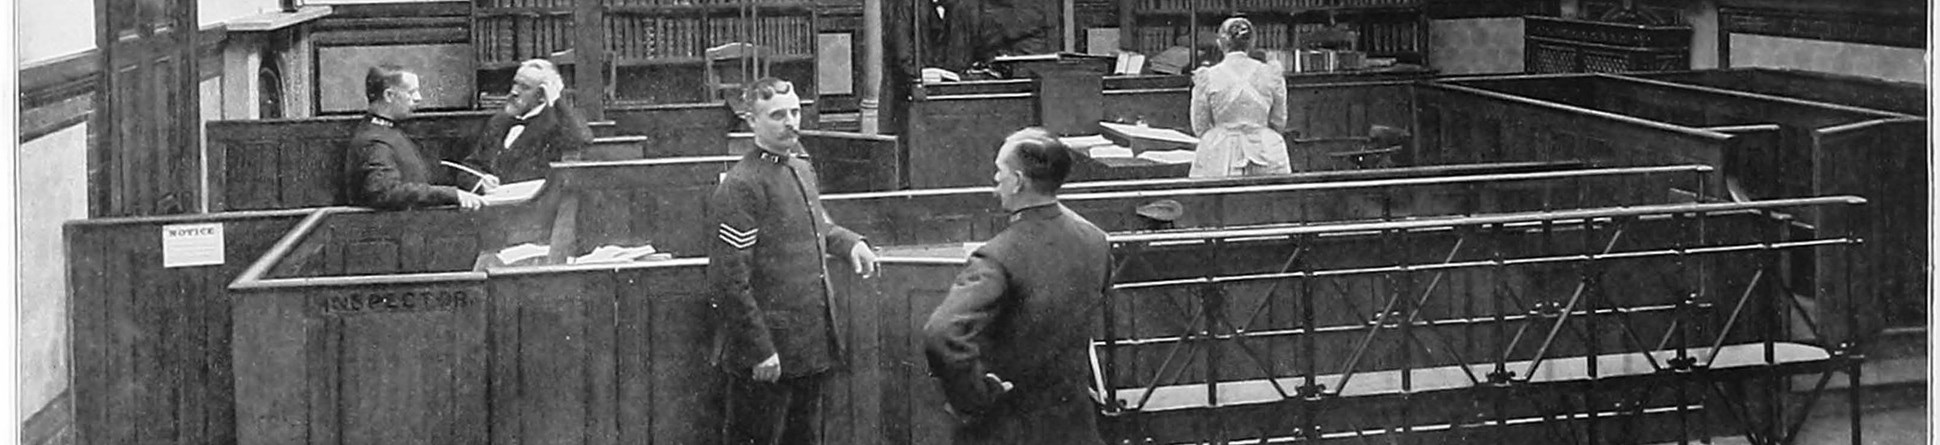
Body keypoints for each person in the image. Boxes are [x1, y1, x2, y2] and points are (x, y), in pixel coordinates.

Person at [706, 77, 880, 445]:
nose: (791, 122)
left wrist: (850, 243)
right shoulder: (742, 185)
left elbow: (818, 226)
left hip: (809, 344)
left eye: (796, 112)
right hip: (767, 355)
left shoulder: (800, 168)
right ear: (752, 121)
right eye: (777, 115)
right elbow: (729, 280)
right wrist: (760, 349)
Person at [922, 128, 1110, 445]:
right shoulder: (1096, 239)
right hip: (1075, 424)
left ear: (1019, 181)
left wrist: (975, 397)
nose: (995, 181)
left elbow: (941, 333)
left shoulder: (996, 256)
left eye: (1000, 172)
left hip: (1010, 426)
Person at [344, 64, 487, 210]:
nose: (418, 98)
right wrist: (451, 195)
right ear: (389, 95)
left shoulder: (386, 131)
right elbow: (385, 192)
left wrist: (472, 185)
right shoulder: (374, 141)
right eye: (411, 92)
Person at [455, 59, 593, 192]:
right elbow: (469, 168)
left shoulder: (555, 123)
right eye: (515, 83)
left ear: (542, 96)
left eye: (525, 87)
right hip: (493, 207)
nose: (514, 91)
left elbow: (582, 139)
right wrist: (481, 182)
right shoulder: (499, 121)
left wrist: (556, 98)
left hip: (534, 209)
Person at [1189, 17, 1292, 177]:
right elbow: (1279, 122)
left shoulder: (1208, 77)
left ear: (1220, 43)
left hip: (1220, 153)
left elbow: (1200, 126)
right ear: (1252, 43)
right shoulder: (1271, 74)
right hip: (1265, 150)